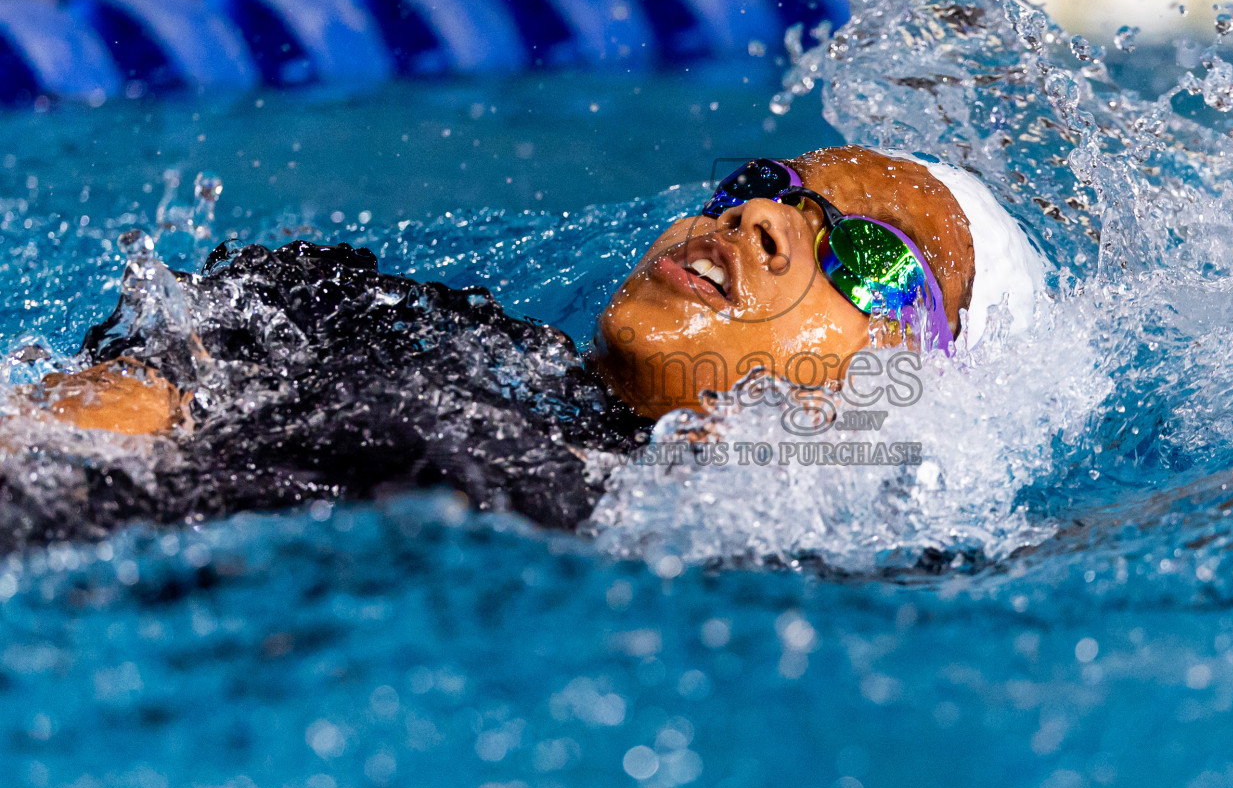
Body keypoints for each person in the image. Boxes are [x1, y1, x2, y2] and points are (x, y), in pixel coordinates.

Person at [8, 146, 1048, 547]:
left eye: (864, 256)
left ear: (897, 383)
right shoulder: (366, 307)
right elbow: (94, 421)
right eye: (764, 188)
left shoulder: (698, 569)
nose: (764, 224)